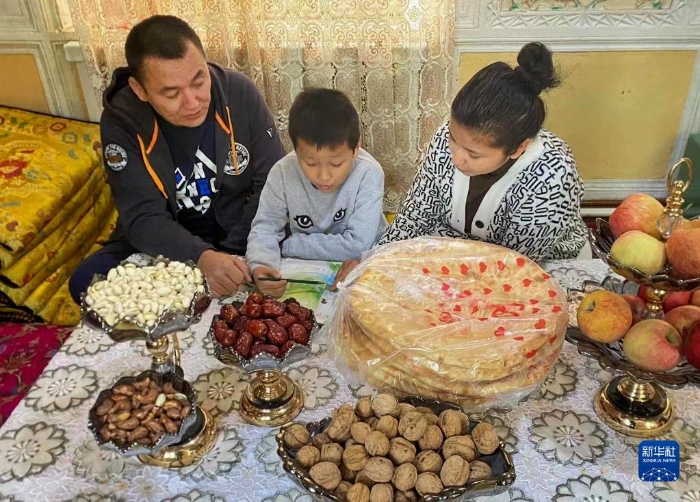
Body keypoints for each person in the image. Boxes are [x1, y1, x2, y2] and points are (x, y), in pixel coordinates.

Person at [330, 42, 588, 290]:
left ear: (518, 149)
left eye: (474, 155)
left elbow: (512, 269)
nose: (456, 158)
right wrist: (375, 258)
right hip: (454, 259)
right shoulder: (446, 137)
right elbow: (416, 216)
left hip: (534, 271)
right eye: (454, 139)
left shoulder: (553, 173)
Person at [68, 15, 285, 302]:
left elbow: (271, 186)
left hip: (241, 233)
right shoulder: (123, 121)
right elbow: (143, 217)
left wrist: (234, 254)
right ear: (139, 90)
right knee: (87, 283)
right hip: (166, 245)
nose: (193, 103)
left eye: (199, 81)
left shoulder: (239, 93)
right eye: (171, 93)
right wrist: (201, 257)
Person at [246, 88, 387, 297]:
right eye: (310, 163)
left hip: (364, 264)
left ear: (356, 148)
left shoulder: (368, 173)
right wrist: (261, 264)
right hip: (309, 268)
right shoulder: (282, 172)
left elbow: (358, 244)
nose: (324, 176)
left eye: (336, 163)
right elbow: (265, 226)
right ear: (295, 149)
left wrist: (290, 244)